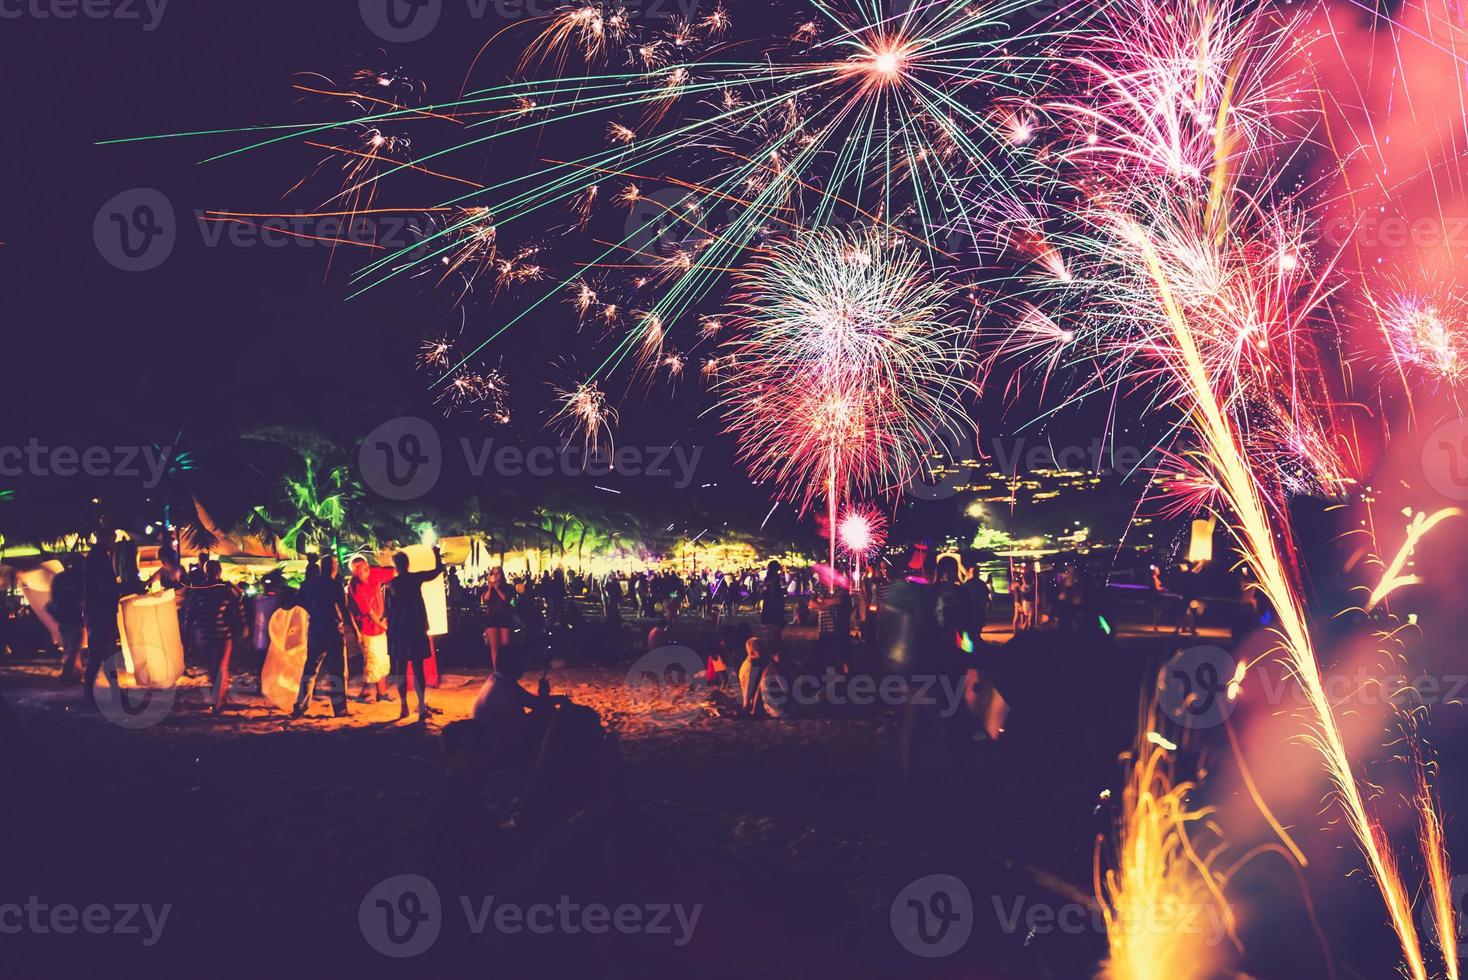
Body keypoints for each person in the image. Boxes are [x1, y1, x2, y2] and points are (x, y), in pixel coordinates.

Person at [470, 646, 568, 768]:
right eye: (522, 664)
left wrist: (544, 695)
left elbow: (532, 701)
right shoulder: (504, 687)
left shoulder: (497, 679)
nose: (524, 668)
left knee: (546, 710)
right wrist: (560, 699)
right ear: (513, 665)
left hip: (491, 744)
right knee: (549, 713)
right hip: (501, 750)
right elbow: (537, 704)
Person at [385, 547, 445, 722]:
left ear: (396, 566)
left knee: (400, 668)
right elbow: (437, 571)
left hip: (399, 629)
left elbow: (389, 609)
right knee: (418, 668)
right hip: (416, 627)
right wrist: (436, 554)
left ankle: (403, 705)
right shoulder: (414, 578)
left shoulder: (392, 584)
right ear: (408, 564)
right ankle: (420, 707)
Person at [292, 555, 353, 719]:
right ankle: (340, 709)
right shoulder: (335, 585)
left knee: (310, 668)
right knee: (337, 671)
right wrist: (352, 629)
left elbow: (297, 603)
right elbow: (344, 607)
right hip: (332, 630)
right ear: (334, 567)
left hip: (316, 629)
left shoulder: (309, 585)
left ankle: (301, 705)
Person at [181, 560, 246, 714]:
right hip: (206, 636)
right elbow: (190, 613)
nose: (212, 573)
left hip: (224, 636)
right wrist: (188, 633)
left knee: (220, 668)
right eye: (210, 570)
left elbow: (239, 605)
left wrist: (243, 628)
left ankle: (217, 703)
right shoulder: (200, 590)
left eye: (214, 570)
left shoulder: (226, 589)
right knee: (213, 670)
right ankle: (220, 699)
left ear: (219, 571)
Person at [346, 556, 395, 704]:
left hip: (380, 625)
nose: (366, 569)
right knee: (371, 659)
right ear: (355, 571)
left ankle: (382, 692)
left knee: (383, 658)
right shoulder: (355, 586)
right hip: (367, 628)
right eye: (361, 567)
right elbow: (369, 613)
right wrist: (385, 626)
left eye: (366, 565)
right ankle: (365, 692)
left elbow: (392, 572)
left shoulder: (373, 573)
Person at [81, 537, 121, 707]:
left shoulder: (96, 556)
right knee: (99, 654)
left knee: (105, 655)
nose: (113, 539)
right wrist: (121, 588)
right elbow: (104, 586)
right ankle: (89, 693)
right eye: (111, 535)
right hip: (101, 612)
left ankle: (113, 692)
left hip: (99, 612)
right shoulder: (99, 557)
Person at [48, 557, 85, 682]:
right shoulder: (79, 578)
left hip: (62, 617)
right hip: (74, 617)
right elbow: (83, 596)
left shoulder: (59, 578)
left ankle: (77, 673)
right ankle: (66, 675)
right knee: (74, 648)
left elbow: (53, 596)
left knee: (70, 647)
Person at [481, 566, 515, 670]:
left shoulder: (508, 587)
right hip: (492, 617)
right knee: (494, 647)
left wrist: (497, 588)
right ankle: (497, 670)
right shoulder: (488, 587)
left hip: (505, 616)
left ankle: (506, 668)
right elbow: (485, 599)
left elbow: (506, 599)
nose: (495, 576)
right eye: (493, 574)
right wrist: (490, 588)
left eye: (497, 573)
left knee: (505, 646)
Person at [759, 560, 786, 653]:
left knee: (768, 629)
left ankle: (769, 648)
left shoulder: (768, 578)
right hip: (774, 606)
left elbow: (763, 592)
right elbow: (774, 593)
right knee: (774, 629)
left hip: (768, 605)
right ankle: (773, 650)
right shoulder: (775, 578)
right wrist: (779, 604)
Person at [738, 635, 765, 714]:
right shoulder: (753, 667)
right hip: (753, 703)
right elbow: (749, 687)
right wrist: (746, 705)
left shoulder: (747, 662)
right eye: (761, 649)